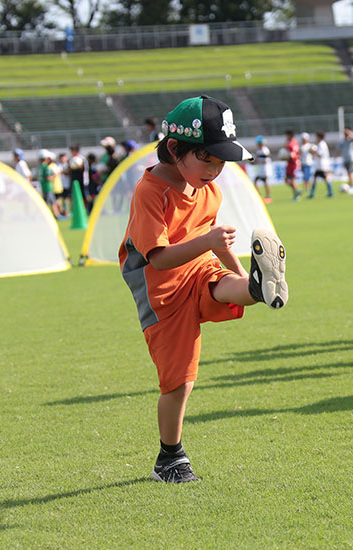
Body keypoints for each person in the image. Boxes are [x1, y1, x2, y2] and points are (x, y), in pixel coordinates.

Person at [118, 95, 289, 483]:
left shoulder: (209, 191)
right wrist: (208, 242)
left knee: (220, 284)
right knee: (179, 383)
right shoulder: (151, 192)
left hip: (198, 268)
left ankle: (258, 288)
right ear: (175, 149)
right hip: (161, 292)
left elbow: (218, 245)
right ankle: (169, 457)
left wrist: (243, 272)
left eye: (221, 162)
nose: (215, 170)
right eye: (207, 159)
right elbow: (157, 258)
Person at [309, 131, 334, 199]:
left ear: (319, 137)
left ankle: (330, 192)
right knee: (315, 178)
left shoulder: (322, 144)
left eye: (316, 137)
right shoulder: (320, 144)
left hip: (323, 165)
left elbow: (320, 155)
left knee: (325, 178)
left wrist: (313, 152)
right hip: (319, 165)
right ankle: (312, 193)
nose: (315, 138)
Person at [38, 149, 61, 218]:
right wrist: (55, 175)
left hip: (43, 187)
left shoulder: (40, 167)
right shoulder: (46, 167)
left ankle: (57, 215)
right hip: (48, 187)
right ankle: (46, 216)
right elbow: (48, 178)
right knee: (48, 203)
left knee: (53, 202)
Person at [253, 135, 273, 204]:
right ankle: (260, 195)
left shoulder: (265, 150)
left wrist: (258, 159)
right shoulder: (259, 150)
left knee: (265, 181)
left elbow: (265, 160)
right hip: (261, 169)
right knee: (256, 181)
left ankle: (268, 196)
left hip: (265, 169)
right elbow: (257, 160)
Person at [283, 129, 302, 201]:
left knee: (292, 179)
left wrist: (285, 157)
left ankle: (296, 195)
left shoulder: (292, 143)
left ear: (290, 135)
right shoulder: (292, 142)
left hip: (293, 164)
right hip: (290, 164)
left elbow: (293, 154)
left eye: (287, 135)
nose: (286, 137)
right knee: (286, 180)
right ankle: (297, 191)